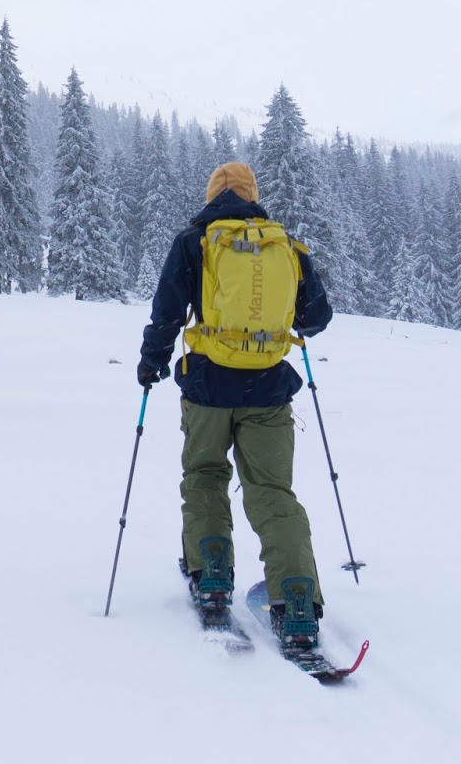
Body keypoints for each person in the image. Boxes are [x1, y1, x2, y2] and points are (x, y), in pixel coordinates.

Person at [137, 162, 333, 656]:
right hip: (269, 390)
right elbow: (317, 317)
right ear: (253, 195)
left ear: (211, 195)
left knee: (204, 475)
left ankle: (212, 576)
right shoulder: (283, 243)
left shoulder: (194, 241)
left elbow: (165, 312)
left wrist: (150, 364)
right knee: (272, 493)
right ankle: (297, 603)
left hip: (206, 388)